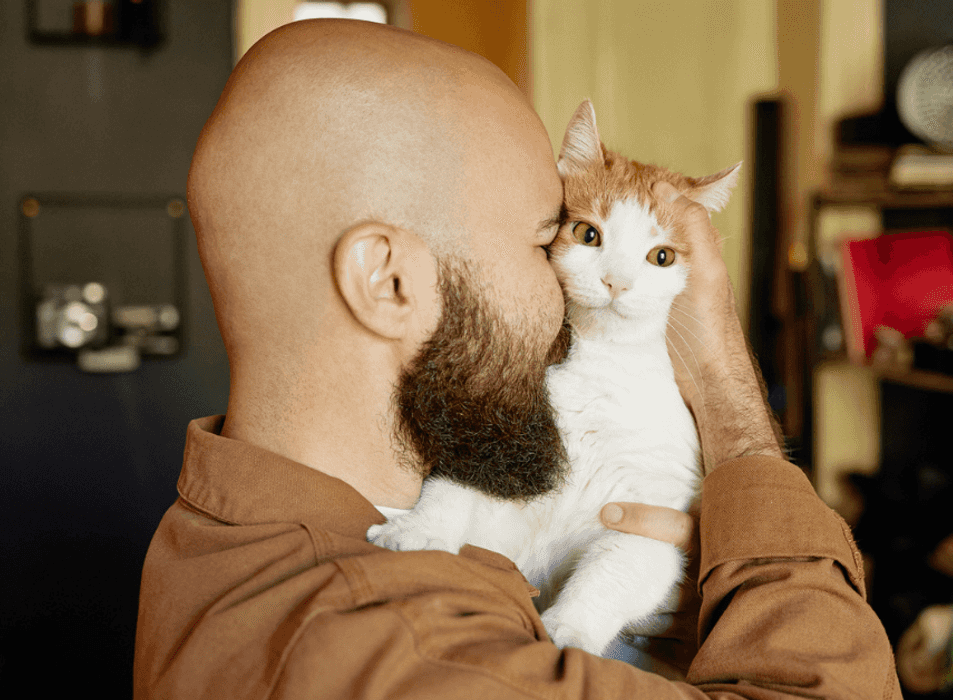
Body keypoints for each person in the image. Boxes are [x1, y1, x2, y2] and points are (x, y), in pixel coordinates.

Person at [134, 18, 903, 699]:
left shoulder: (214, 537)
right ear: (390, 280)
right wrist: (721, 381)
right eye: (546, 239)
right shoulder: (426, 657)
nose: (569, 284)